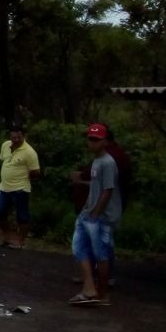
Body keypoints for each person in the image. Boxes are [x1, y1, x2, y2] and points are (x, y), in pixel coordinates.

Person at [70, 123, 123, 306]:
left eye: (96, 140)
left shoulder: (107, 162)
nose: (91, 143)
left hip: (101, 216)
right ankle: (89, 287)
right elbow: (95, 187)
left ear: (104, 141)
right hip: (89, 212)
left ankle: (101, 294)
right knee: (79, 248)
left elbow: (107, 190)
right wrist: (87, 208)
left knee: (101, 254)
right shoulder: (96, 161)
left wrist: (96, 212)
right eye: (90, 139)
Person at [0, 123, 40, 248]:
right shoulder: (5, 145)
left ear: (23, 136)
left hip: (20, 188)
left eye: (19, 137)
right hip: (4, 187)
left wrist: (24, 179)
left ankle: (20, 242)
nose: (16, 140)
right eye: (14, 137)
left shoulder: (29, 152)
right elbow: (4, 161)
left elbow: (35, 171)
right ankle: (7, 236)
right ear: (10, 136)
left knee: (22, 216)